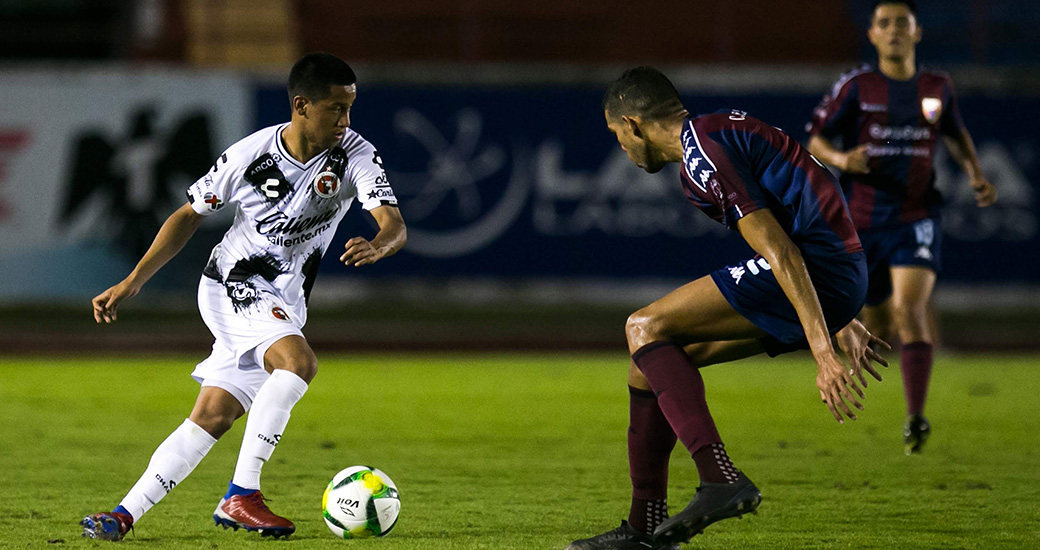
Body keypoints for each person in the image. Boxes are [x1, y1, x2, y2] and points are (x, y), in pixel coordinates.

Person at [80, 52, 407, 541]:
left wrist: (381, 243)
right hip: (233, 284)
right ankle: (242, 495)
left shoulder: (355, 154)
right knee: (297, 364)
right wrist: (133, 281)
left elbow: (393, 223)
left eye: (349, 108)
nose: (346, 120)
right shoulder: (249, 156)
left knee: (212, 415)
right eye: (335, 109)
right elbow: (187, 215)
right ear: (302, 105)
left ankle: (121, 516)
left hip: (283, 302)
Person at [567, 67, 889, 550]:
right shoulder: (715, 134)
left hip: (821, 270)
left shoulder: (703, 154)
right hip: (835, 273)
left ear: (633, 124)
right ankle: (644, 528)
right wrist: (842, 316)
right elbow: (802, 214)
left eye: (617, 136)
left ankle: (720, 479)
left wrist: (823, 349)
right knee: (647, 365)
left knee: (643, 325)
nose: (623, 148)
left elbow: (783, 250)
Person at [807, 0, 996, 455]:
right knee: (872, 322)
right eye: (884, 23)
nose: (893, 30)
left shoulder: (937, 87)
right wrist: (840, 159)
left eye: (901, 23)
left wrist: (974, 173)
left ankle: (916, 416)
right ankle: (853, 404)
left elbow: (954, 131)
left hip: (917, 216)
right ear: (872, 35)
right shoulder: (856, 86)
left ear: (917, 32)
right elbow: (815, 136)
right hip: (864, 221)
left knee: (908, 312)